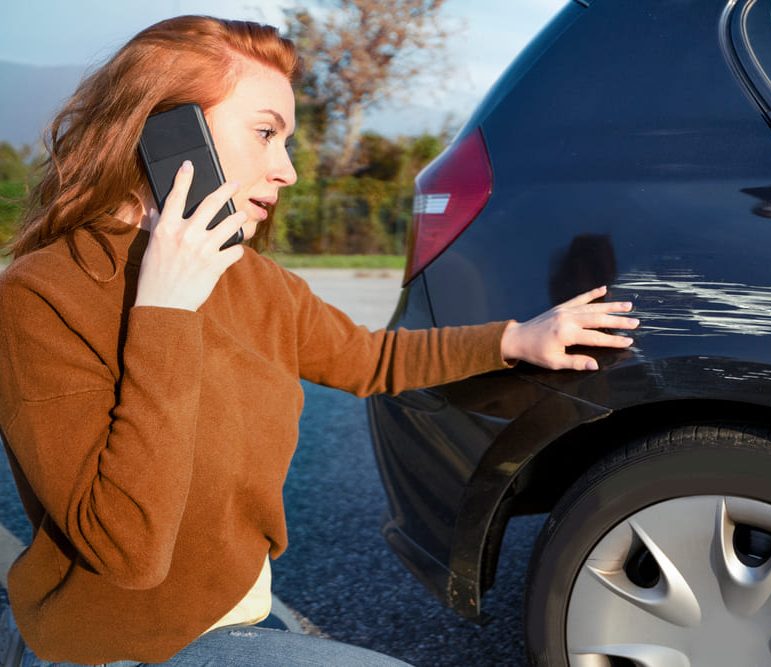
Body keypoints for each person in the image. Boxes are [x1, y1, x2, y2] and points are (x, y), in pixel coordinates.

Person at [0, 15, 638, 667]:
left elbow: (371, 359)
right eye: (265, 133)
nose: (288, 172)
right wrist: (166, 307)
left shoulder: (254, 280)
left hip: (241, 612)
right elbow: (126, 549)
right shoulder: (44, 295)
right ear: (167, 131)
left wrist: (518, 338)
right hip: (121, 645)